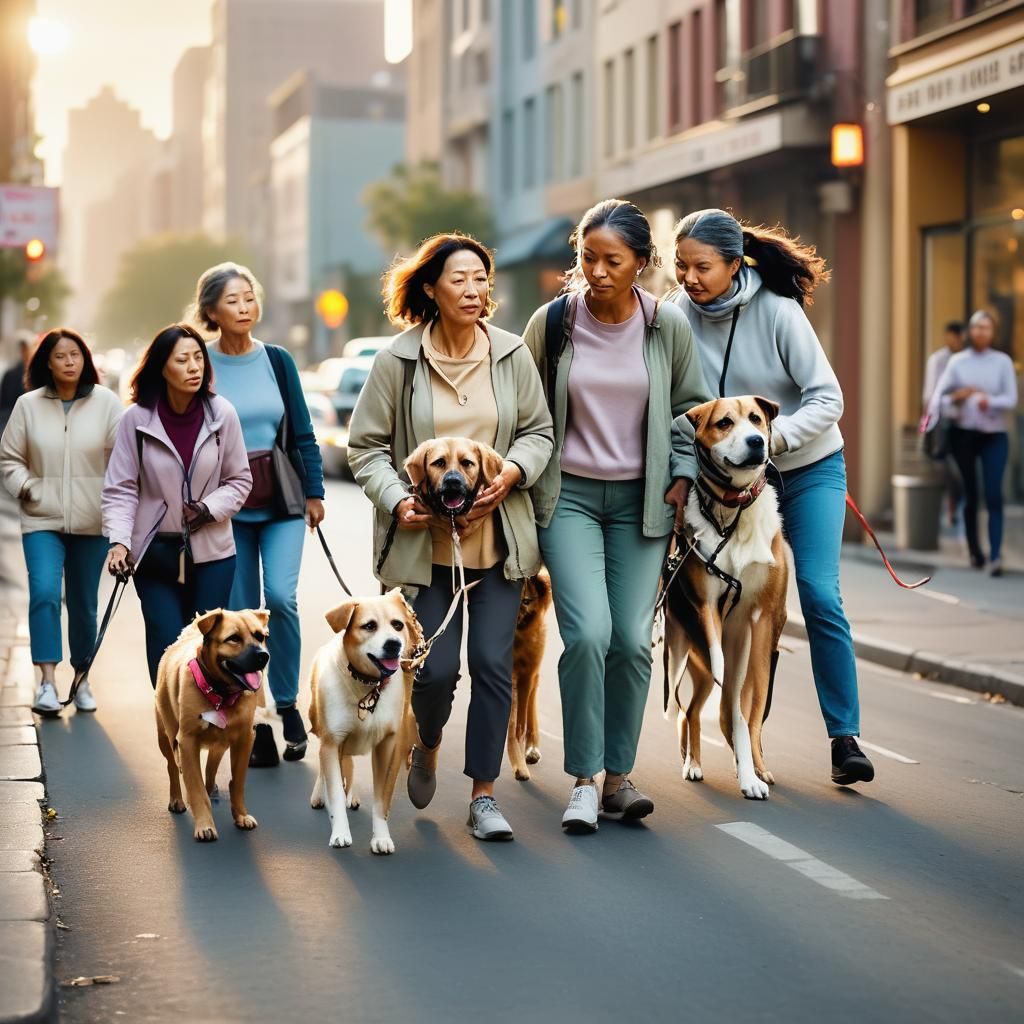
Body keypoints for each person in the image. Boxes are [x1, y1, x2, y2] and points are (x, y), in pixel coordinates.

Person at [347, 233, 553, 841]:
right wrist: (399, 499)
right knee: (433, 671)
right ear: (431, 288)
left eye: (481, 278)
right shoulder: (397, 361)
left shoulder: (512, 355)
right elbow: (365, 448)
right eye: (459, 278)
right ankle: (428, 741)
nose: (473, 289)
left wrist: (512, 472)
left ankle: (484, 794)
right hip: (422, 551)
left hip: (499, 544)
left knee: (494, 665)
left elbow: (539, 433)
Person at [521, 199, 710, 834]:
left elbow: (692, 411)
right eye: (587, 259)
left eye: (612, 261)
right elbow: (522, 411)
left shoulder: (666, 326)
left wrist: (683, 474)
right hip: (567, 497)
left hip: (642, 503)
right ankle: (582, 780)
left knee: (631, 640)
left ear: (642, 264)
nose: (596, 272)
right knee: (588, 635)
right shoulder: (551, 324)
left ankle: (620, 780)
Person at [669, 207, 876, 788]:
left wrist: (768, 442)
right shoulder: (674, 319)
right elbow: (674, 410)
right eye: (680, 265)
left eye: (702, 266)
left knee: (816, 591)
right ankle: (747, 724)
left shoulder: (779, 313)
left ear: (735, 265)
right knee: (728, 603)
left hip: (807, 468)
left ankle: (844, 738)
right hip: (722, 483)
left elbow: (828, 398)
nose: (689, 277)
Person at [191, 263, 325, 764]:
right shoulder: (200, 362)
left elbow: (304, 432)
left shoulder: (278, 360)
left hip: (281, 500)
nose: (245, 307)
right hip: (226, 506)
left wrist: (315, 493)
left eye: (250, 298)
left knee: (283, 601)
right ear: (211, 311)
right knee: (242, 619)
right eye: (233, 300)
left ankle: (287, 703)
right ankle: (257, 714)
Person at [102, 324, 251, 686]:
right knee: (168, 641)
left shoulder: (222, 414)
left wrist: (207, 508)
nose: (193, 367)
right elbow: (120, 488)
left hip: (213, 553)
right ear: (161, 368)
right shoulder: (135, 420)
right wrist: (120, 542)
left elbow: (240, 480)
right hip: (154, 551)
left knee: (207, 645)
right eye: (182, 360)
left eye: (198, 357)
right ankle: (172, 724)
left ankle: (208, 722)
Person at [0, 329, 123, 716]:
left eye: (75, 355)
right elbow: (8, 460)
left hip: (92, 522)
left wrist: (117, 513)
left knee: (85, 605)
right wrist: (28, 488)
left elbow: (124, 464)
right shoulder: (27, 405)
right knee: (45, 594)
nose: (69, 362)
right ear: (46, 364)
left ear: (85, 359)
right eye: (60, 356)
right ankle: (48, 684)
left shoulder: (106, 403)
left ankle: (82, 678)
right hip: (41, 519)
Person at [928, 310, 1017, 576]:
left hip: (994, 435)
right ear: (970, 331)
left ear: (993, 332)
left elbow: (1011, 399)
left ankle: (995, 555)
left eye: (986, 328)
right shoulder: (958, 362)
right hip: (963, 434)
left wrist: (988, 400)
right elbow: (938, 400)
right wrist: (957, 397)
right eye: (977, 327)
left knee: (993, 494)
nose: (981, 332)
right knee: (970, 492)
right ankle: (975, 551)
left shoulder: (1002, 362)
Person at [921, 321, 965, 527]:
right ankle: (949, 508)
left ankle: (954, 508)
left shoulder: (967, 360)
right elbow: (929, 395)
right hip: (942, 422)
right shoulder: (937, 360)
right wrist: (926, 425)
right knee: (947, 467)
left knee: (962, 469)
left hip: (964, 423)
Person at [0, 336, 31, 433]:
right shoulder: (11, 373)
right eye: (22, 348)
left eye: (26, 348)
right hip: (10, 418)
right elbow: (5, 403)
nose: (25, 351)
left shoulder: (41, 373)